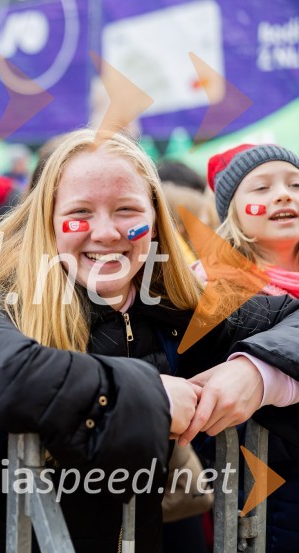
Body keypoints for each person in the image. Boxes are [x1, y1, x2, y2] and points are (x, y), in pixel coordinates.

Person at [0, 129, 299, 552]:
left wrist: (255, 373)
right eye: (81, 211)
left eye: (126, 211)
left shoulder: (172, 306)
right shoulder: (1, 298)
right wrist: (150, 394)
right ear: (49, 219)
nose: (106, 232)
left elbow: (288, 318)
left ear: (154, 223)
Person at [196, 143, 299, 553]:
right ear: (232, 213)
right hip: (265, 499)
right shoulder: (210, 285)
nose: (283, 194)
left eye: (295, 183)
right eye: (260, 188)